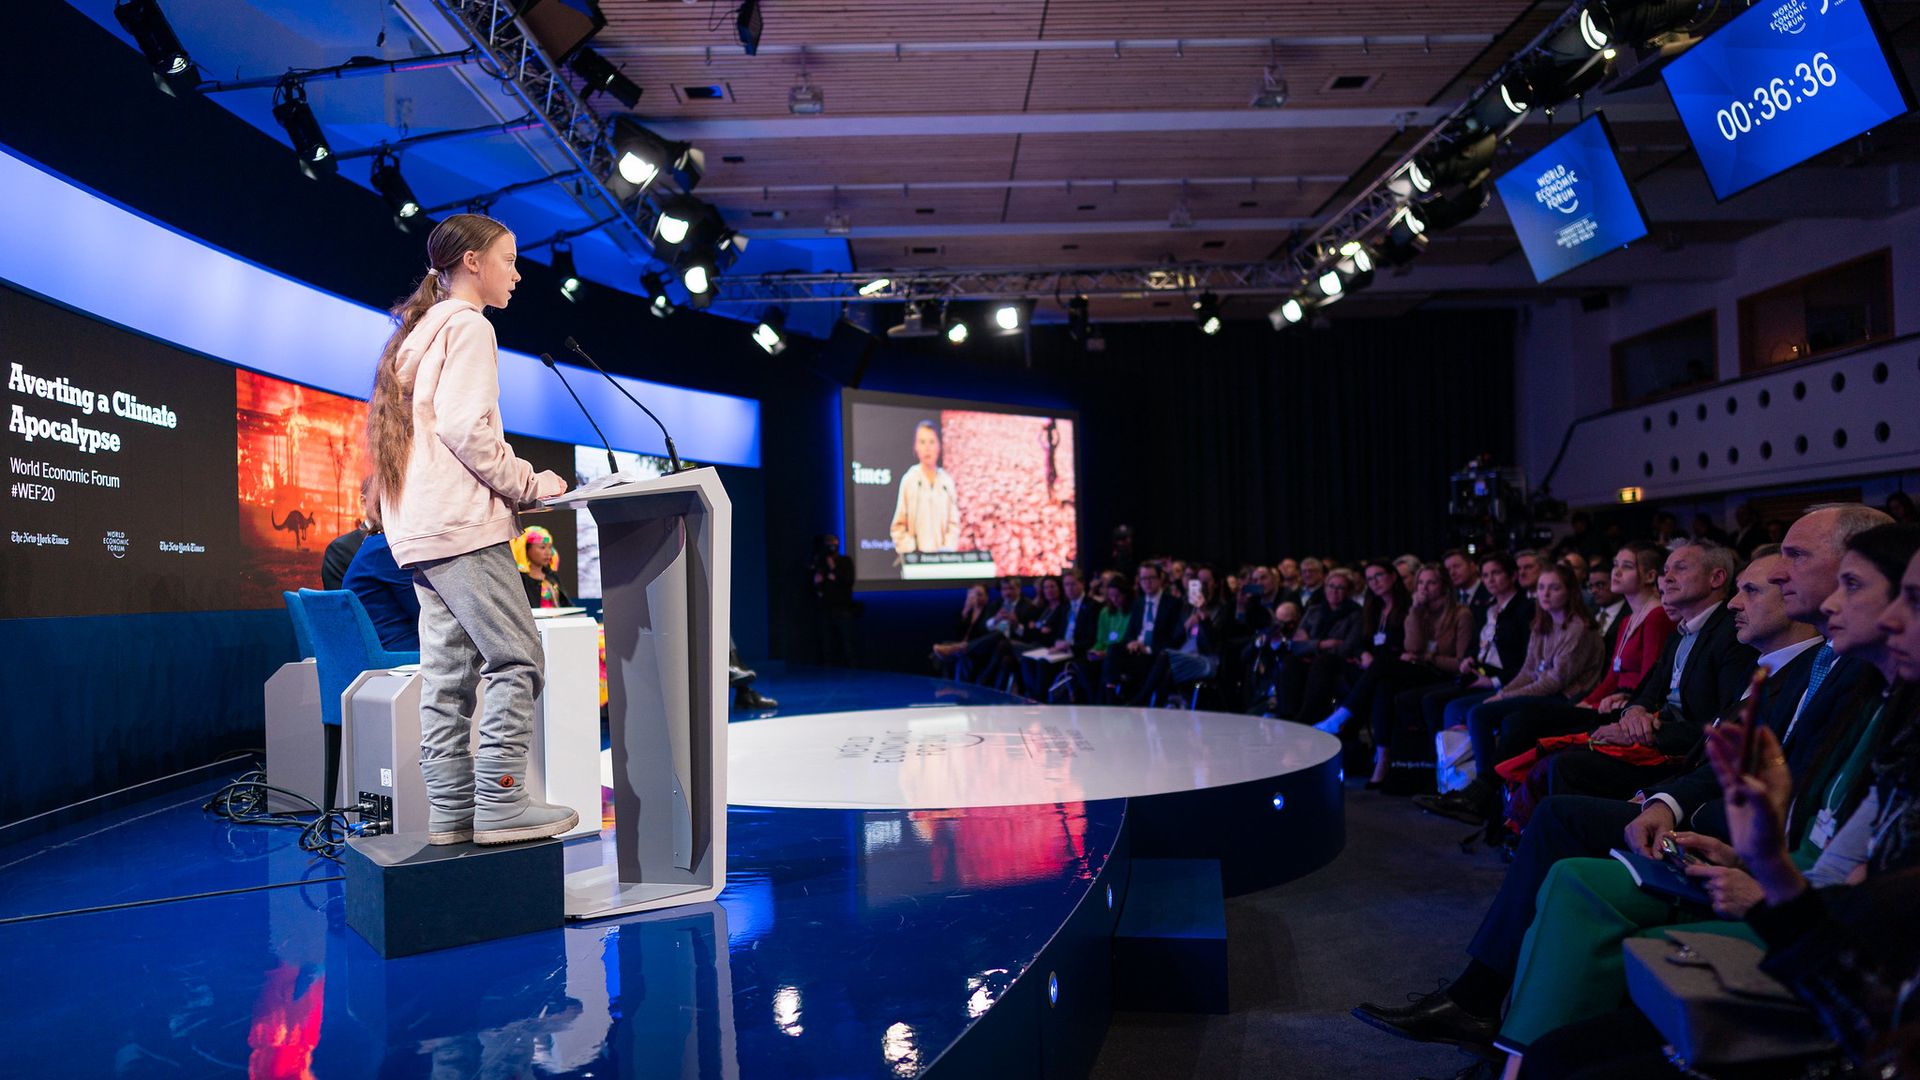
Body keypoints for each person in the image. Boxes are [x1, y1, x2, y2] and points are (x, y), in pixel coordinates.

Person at [1349, 505, 1892, 1060]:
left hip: (1751, 850)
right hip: (1726, 826)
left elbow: (1781, 791)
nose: (1772, 581)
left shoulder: (1829, 668)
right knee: (1540, 787)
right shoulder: (1812, 661)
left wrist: (1750, 856)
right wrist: (1654, 765)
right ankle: (1496, 1021)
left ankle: (1501, 1029)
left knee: (1563, 825)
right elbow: (1694, 726)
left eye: (1793, 563)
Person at [367, 213, 575, 847]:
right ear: (472, 264)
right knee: (518, 658)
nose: (517, 273)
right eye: (508, 259)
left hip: (420, 533)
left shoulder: (416, 333)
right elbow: (466, 430)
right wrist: (530, 484)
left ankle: (453, 812)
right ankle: (503, 802)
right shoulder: (469, 326)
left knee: (448, 676)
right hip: (461, 528)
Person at [1416, 562, 1605, 825]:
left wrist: (1504, 696)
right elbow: (1528, 670)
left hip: (1567, 699)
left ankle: (1480, 795)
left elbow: (1554, 682)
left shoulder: (1580, 628)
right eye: (1541, 588)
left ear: (1570, 592)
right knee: (1481, 711)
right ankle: (1480, 793)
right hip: (1543, 692)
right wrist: (1504, 692)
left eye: (1554, 588)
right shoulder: (1543, 623)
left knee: (1482, 713)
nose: (1545, 594)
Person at [1363, 565, 1474, 788]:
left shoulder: (1461, 614)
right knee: (1384, 684)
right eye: (1421, 583)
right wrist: (1414, 612)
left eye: (1431, 583)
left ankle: (1347, 714)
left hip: (1444, 675)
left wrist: (1428, 656)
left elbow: (1461, 663)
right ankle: (1385, 757)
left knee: (1383, 665)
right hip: (1421, 671)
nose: (1425, 589)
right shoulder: (1417, 612)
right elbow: (1412, 647)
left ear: (1444, 585)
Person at [1313, 559, 1410, 736]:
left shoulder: (1408, 606)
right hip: (1371, 665)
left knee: (1382, 681)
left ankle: (1342, 719)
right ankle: (1316, 721)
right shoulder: (1373, 607)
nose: (1375, 582)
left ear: (1393, 576)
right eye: (1370, 578)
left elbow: (1405, 645)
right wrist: (1363, 653)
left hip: (1396, 665)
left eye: (1379, 576)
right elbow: (1361, 641)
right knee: (1326, 663)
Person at [340, 494, 419, 652]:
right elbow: (422, 610)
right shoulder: (386, 549)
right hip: (400, 651)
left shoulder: (374, 544)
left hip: (382, 649)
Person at [1103, 561, 1187, 703]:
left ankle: (1136, 701)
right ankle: (1110, 696)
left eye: (1151, 578)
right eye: (1143, 579)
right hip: (1137, 651)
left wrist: (1148, 648)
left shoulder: (1173, 604)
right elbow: (1130, 633)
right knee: (1113, 649)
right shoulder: (1138, 603)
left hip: (1155, 654)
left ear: (1160, 579)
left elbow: (1175, 638)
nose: (1147, 583)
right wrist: (1131, 643)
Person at [889, 420, 959, 555]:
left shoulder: (947, 481)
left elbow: (954, 524)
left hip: (944, 563)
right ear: (916, 447)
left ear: (939, 446)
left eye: (932, 442)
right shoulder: (910, 480)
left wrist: (947, 550)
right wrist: (911, 550)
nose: (927, 448)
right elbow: (898, 526)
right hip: (916, 564)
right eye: (922, 442)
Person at [811, 533, 858, 667]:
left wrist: (834, 569)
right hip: (825, 608)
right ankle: (828, 670)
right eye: (828, 544)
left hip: (842, 607)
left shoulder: (845, 561)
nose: (831, 547)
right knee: (827, 643)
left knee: (846, 641)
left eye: (834, 543)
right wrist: (817, 582)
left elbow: (848, 581)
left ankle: (852, 669)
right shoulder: (821, 562)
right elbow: (818, 584)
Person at [319, 476, 372, 590]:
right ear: (363, 502)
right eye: (382, 497)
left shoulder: (401, 543)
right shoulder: (340, 549)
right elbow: (340, 604)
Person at [513, 525, 571, 609]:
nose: (548, 553)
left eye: (550, 547)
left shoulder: (551, 576)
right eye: (542, 547)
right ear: (526, 548)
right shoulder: (520, 579)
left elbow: (565, 605)